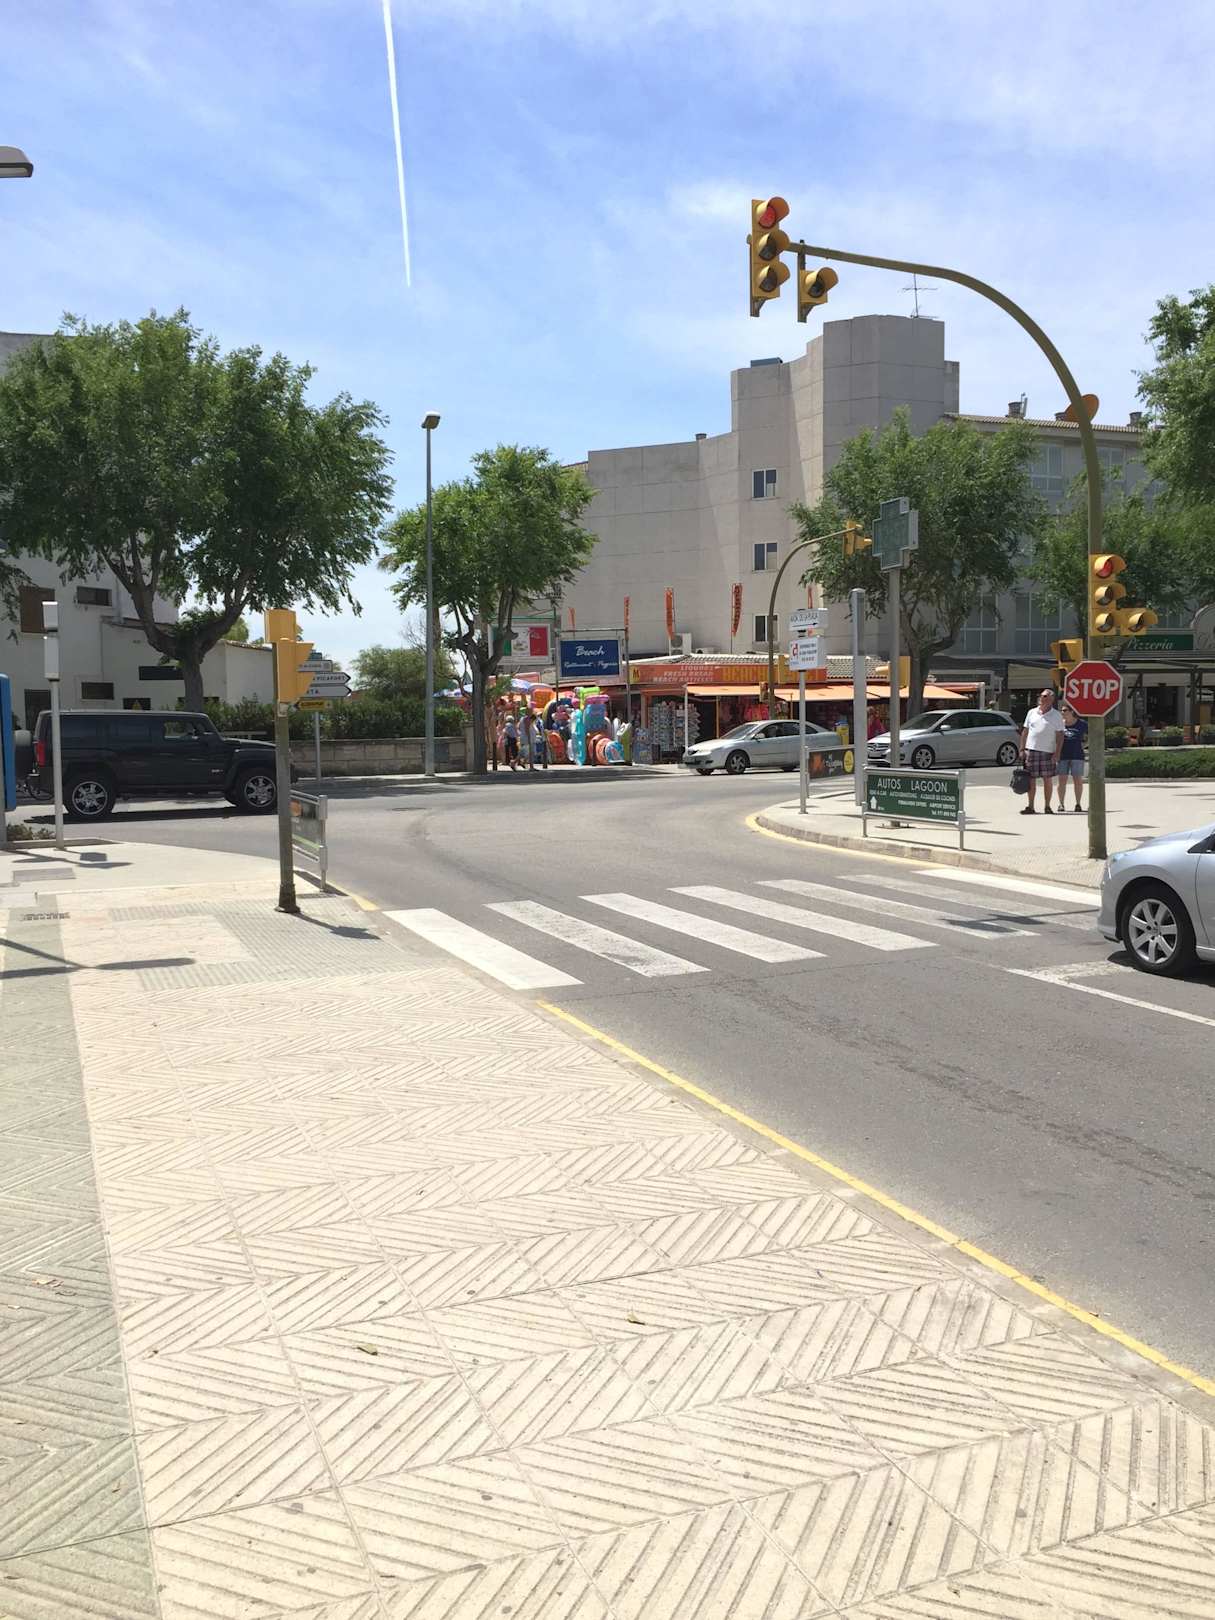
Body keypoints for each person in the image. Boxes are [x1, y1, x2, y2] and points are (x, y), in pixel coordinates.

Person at [1019, 687, 1065, 814]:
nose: (1041, 698)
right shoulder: (1032, 712)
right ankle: (1031, 806)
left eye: (1044, 696)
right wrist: (1022, 748)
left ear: (1051, 699)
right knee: (1031, 779)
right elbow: (1025, 731)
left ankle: (1047, 806)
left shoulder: (1056, 715)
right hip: (1031, 750)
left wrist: (1057, 753)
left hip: (1047, 751)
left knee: (1047, 779)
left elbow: (1060, 735)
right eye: (1041, 696)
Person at [1055, 702, 1088, 812]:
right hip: (1063, 755)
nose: (1062, 712)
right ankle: (1061, 804)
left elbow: (1091, 736)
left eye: (1065, 710)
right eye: (1061, 711)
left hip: (1077, 755)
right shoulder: (1060, 724)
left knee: (1077, 780)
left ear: (1072, 711)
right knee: (1062, 781)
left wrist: (1084, 745)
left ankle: (1078, 804)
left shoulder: (1081, 724)